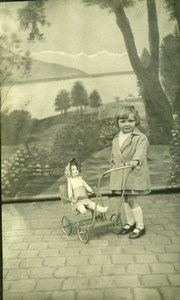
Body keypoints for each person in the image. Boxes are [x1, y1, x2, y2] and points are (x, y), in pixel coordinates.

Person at [110, 105, 151, 239]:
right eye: (122, 121)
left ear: (136, 121)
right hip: (120, 173)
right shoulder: (116, 138)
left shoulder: (140, 137)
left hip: (133, 173)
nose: (126, 124)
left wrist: (136, 160)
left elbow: (140, 152)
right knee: (125, 199)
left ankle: (140, 226)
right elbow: (114, 155)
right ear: (117, 123)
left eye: (130, 121)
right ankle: (130, 222)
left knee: (132, 199)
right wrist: (112, 166)